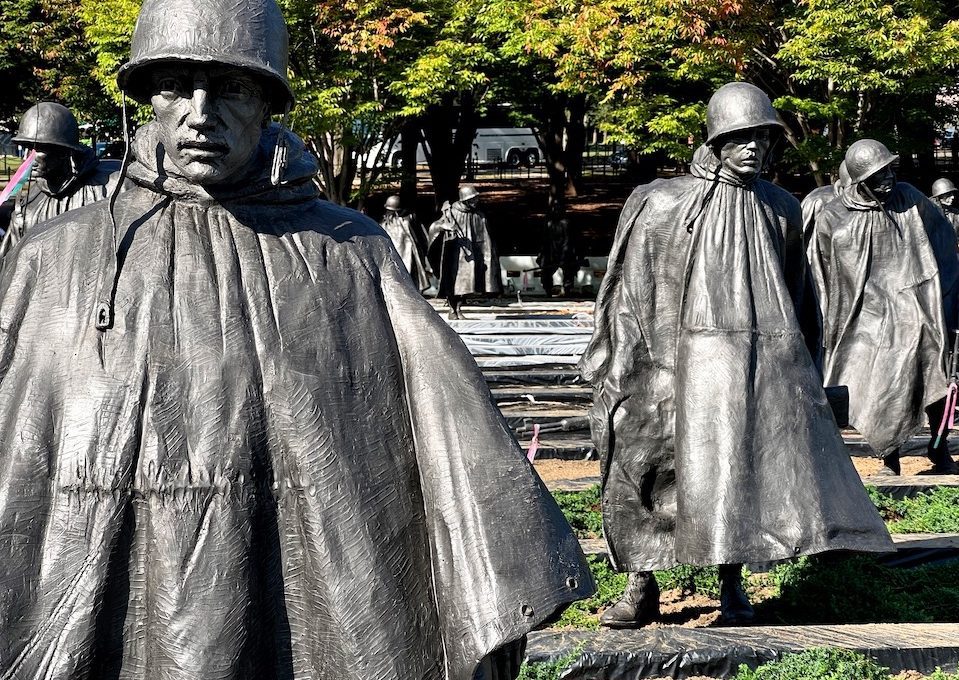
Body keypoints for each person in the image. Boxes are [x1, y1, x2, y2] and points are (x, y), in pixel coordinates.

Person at [0, 0, 594, 677]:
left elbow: (450, 444)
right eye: (175, 86)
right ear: (147, 99)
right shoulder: (56, 257)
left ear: (267, 104)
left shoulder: (349, 251)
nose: (200, 112)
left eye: (231, 87)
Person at [581, 82, 893, 629]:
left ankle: (732, 585)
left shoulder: (779, 208)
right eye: (740, 137)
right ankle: (639, 584)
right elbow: (627, 289)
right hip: (664, 362)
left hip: (748, 366)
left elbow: (801, 295)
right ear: (717, 139)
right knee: (647, 466)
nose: (753, 148)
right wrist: (620, 361)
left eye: (762, 138)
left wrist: (807, 370)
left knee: (737, 468)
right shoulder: (662, 200)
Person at [811, 140, 959, 475]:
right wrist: (825, 325)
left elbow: (943, 241)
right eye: (879, 174)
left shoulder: (909, 199)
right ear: (861, 180)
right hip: (863, 317)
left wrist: (942, 297)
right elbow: (819, 274)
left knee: (930, 363)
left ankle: (939, 449)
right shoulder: (833, 217)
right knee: (870, 379)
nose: (889, 177)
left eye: (890, 169)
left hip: (915, 307)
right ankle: (888, 456)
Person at [0, 102, 124, 255]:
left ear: (64, 151)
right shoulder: (27, 207)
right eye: (27, 148)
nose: (28, 158)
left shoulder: (112, 187)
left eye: (38, 149)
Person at [428, 185, 503, 319]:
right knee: (454, 283)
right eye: (472, 199)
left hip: (471, 256)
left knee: (467, 285)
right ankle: (452, 309)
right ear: (465, 200)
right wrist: (443, 226)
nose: (476, 201)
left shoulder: (479, 216)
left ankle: (458, 308)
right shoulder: (451, 212)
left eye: (476, 198)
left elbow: (486, 240)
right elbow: (435, 226)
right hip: (455, 255)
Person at [380, 194, 431, 291]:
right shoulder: (385, 224)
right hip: (396, 257)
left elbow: (421, 238)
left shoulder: (408, 220)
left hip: (408, 256)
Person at [538, 199, 580, 296]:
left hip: (564, 251)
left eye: (558, 209)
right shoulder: (549, 224)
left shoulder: (566, 223)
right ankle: (548, 289)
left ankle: (567, 289)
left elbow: (568, 240)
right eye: (554, 209)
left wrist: (565, 254)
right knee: (546, 270)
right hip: (552, 252)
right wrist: (542, 253)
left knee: (568, 270)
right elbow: (545, 240)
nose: (556, 211)